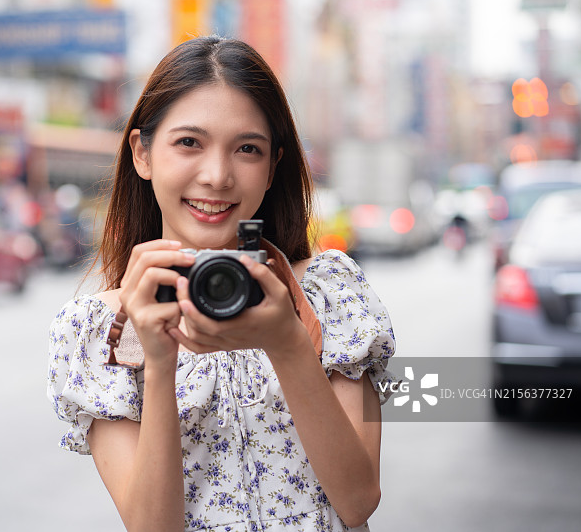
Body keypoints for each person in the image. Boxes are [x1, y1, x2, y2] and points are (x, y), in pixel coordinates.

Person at [48, 36, 397, 532]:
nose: (216, 176)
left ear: (274, 166)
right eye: (189, 142)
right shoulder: (96, 332)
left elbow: (358, 499)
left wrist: (288, 344)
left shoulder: (328, 293)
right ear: (142, 154)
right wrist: (158, 363)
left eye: (247, 149)